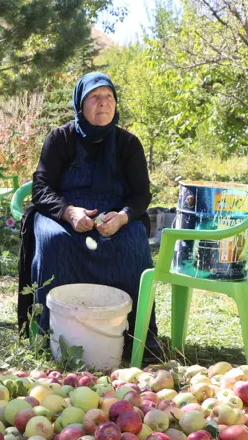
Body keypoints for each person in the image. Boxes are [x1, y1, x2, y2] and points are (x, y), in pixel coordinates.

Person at [18, 71, 159, 361]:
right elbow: (41, 188)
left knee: (133, 243)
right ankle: (52, 336)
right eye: (94, 97)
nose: (103, 103)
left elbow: (141, 195)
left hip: (114, 216)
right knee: (55, 241)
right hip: (63, 212)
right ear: (80, 104)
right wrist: (69, 212)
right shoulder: (60, 139)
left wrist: (122, 217)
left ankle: (135, 337)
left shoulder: (128, 144)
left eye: (108, 97)